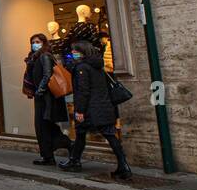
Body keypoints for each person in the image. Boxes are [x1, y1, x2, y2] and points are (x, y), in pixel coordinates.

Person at [58, 40, 132, 180]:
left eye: (76, 51)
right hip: (104, 106)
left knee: (82, 134)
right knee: (109, 135)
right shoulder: (97, 66)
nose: (72, 53)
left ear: (83, 52)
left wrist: (79, 111)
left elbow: (83, 91)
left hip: (90, 109)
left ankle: (75, 161)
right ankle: (123, 165)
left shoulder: (82, 68)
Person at [22, 32, 72, 166]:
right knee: (44, 126)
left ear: (44, 43)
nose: (34, 44)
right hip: (41, 96)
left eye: (38, 42)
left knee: (43, 125)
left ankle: (65, 146)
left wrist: (40, 90)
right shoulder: (33, 58)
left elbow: (48, 74)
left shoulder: (45, 56)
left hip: (47, 97)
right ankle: (48, 156)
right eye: (33, 42)